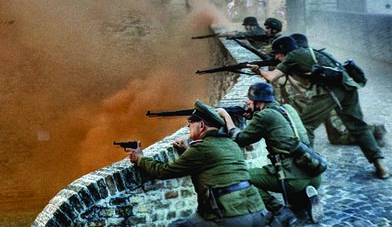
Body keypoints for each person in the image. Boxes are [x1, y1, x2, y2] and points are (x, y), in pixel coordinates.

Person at [253, 35, 390, 180]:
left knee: (305, 126)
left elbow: (271, 77)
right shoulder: (314, 53)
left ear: (282, 52)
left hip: (331, 91)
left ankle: (307, 167)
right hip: (348, 86)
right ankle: (380, 165)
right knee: (358, 126)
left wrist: (258, 70)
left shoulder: (293, 56)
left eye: (276, 54)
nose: (276, 57)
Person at [125, 100, 269, 227]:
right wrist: (187, 150)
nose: (188, 128)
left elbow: (163, 171)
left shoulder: (201, 148)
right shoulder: (231, 143)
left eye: (190, 124)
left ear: (201, 126)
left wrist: (139, 158)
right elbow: (210, 162)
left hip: (231, 218)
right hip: (258, 212)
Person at [217, 82, 324, 226]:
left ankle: (280, 211)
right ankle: (305, 201)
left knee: (240, 177)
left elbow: (240, 139)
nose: (247, 102)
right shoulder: (286, 109)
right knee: (295, 201)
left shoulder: (265, 116)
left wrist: (226, 116)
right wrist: (254, 113)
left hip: (293, 178)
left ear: (258, 101)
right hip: (313, 172)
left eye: (249, 99)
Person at [278, 34, 386, 148]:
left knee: (338, 134)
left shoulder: (306, 60)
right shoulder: (309, 58)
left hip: (329, 95)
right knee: (335, 131)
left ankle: (373, 131)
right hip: (325, 95)